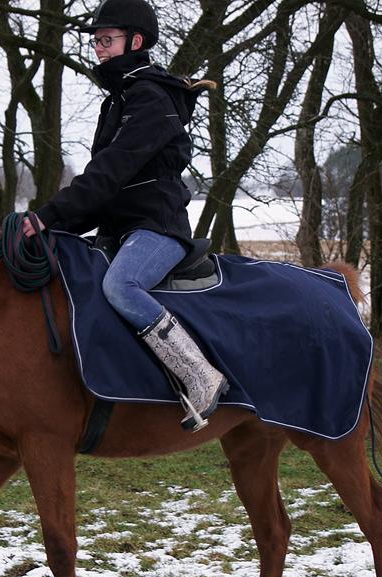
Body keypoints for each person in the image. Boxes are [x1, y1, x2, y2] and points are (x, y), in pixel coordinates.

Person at [24, 0, 228, 431]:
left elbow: (110, 170)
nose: (98, 47)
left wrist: (50, 213)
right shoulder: (116, 102)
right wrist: (51, 225)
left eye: (107, 39)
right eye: (96, 40)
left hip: (156, 228)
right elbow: (104, 192)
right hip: (119, 229)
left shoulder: (151, 99)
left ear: (135, 42)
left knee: (121, 284)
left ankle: (200, 375)